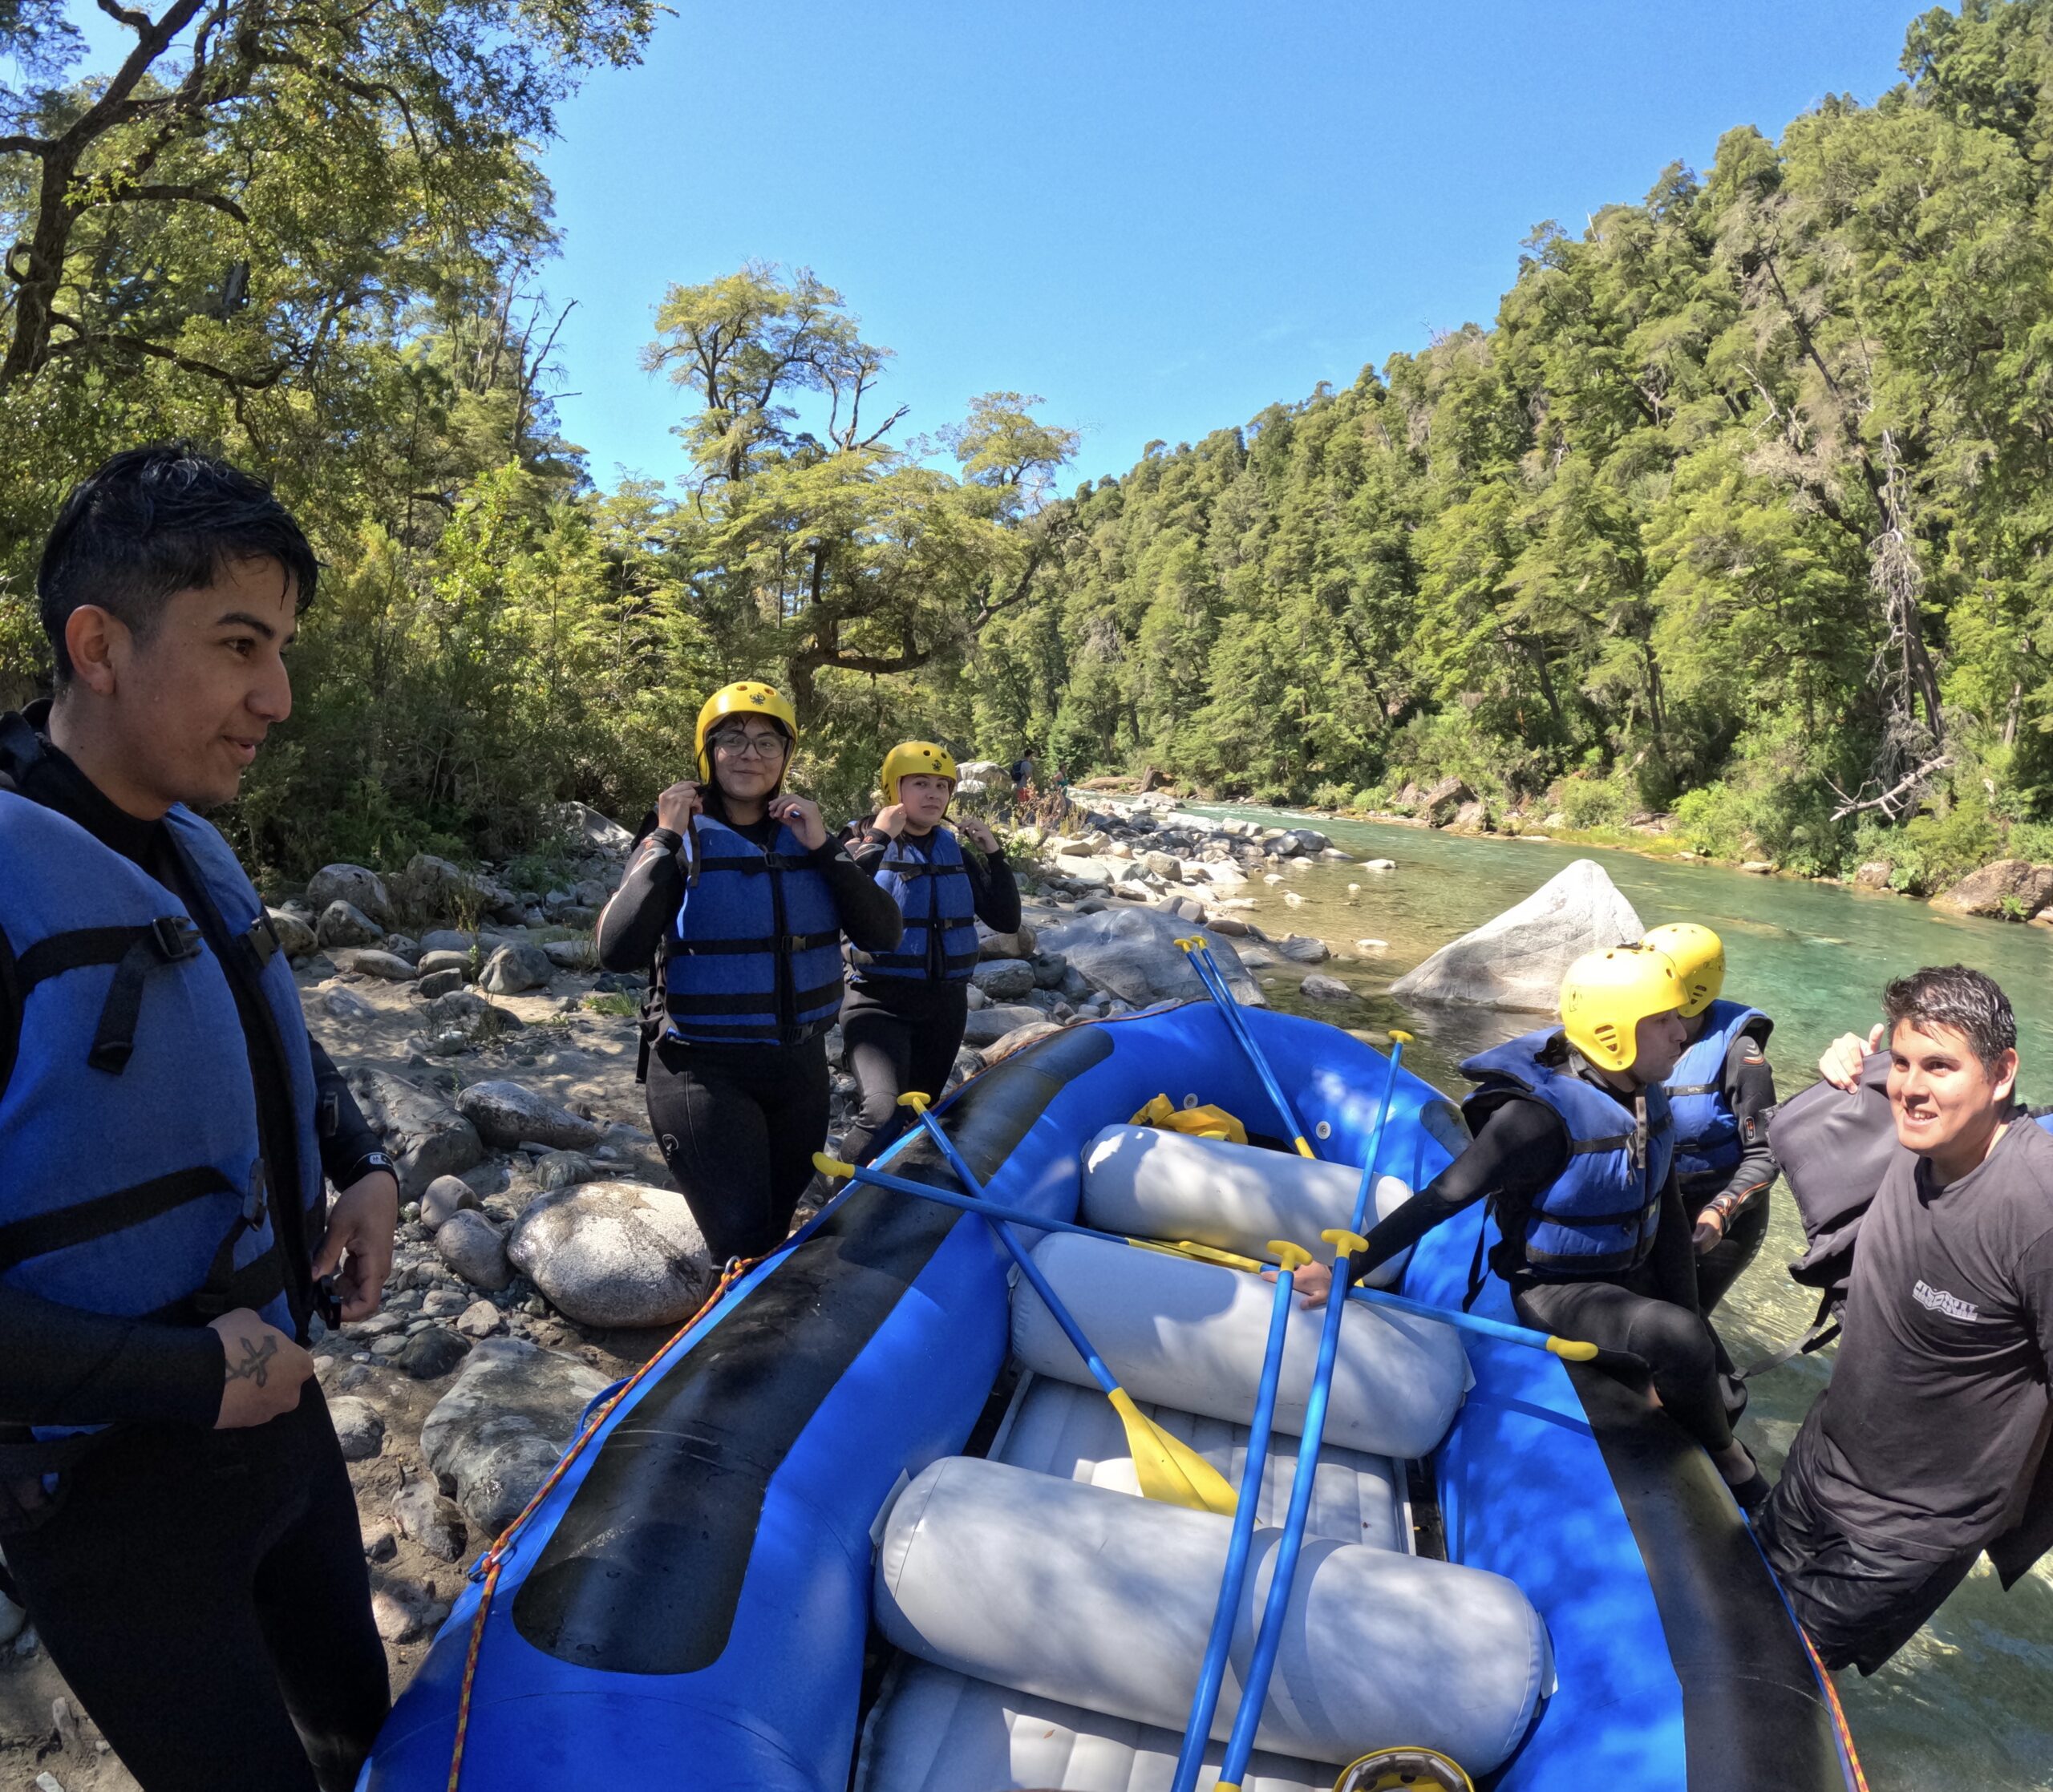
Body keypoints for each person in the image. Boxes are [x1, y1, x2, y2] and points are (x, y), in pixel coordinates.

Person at [0, 446, 398, 1790]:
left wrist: (363, 1161)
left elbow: (258, 1031)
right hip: (109, 1509)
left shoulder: (185, 846)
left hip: (280, 1426)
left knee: (364, 1728)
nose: (277, 698)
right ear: (99, 647)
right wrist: (190, 1378)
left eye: (281, 650)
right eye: (241, 646)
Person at [1282, 942, 1768, 1507]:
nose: (1683, 1034)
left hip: (1627, 1272)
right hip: (1559, 1289)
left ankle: (1704, 1422)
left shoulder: (1642, 1092)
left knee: (1713, 1366)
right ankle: (1734, 1463)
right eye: (1662, 1021)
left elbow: (1670, 1215)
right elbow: (1443, 1196)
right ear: (1614, 1034)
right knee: (1680, 1339)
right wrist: (1346, 1270)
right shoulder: (1537, 1121)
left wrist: (1687, 1308)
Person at [1759, 965, 2053, 1675]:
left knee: (1777, 1679)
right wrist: (1844, 1065)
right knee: (1741, 1608)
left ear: (2002, 1072)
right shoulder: (1908, 1124)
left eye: (1941, 1066)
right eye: (1903, 1062)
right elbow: (1826, 1120)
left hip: (1905, 1531)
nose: (1911, 1087)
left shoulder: (2038, 1208)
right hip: (1819, 1461)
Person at [595, 681, 902, 1261]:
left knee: (772, 1233)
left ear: (786, 756)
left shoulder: (806, 832)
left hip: (798, 1071)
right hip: (703, 1072)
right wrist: (664, 836)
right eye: (732, 740)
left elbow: (883, 933)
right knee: (740, 1243)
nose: (750, 755)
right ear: (707, 751)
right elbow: (616, 948)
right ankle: (723, 1342)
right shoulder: (676, 835)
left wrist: (826, 850)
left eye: (767, 742)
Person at [837, 742, 1022, 1166]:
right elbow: (835, 899)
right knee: (882, 1112)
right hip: (875, 1003)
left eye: (942, 786)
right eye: (920, 783)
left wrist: (993, 853)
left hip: (943, 1006)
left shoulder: (952, 850)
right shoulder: (857, 841)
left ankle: (893, 1197)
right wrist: (879, 838)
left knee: (919, 1114)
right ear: (893, 788)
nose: (934, 794)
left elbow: (1007, 920)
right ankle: (835, 1202)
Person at [1642, 922, 1779, 1312]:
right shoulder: (1629, 1037)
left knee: (1688, 1318)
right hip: (1653, 1208)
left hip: (1719, 1215)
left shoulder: (1740, 1053)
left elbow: (1766, 1154)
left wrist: (1722, 1210)